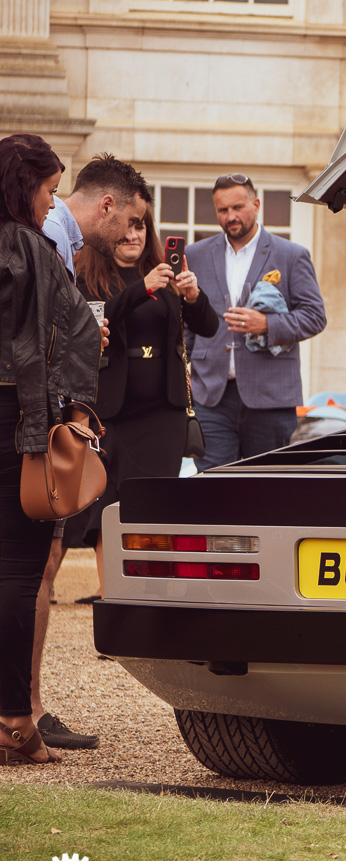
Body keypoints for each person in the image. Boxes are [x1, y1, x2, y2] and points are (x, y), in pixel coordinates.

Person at [35, 150, 149, 752]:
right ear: (105, 204)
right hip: (38, 421)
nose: (131, 235)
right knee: (36, 565)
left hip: (51, 415)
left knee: (42, 562)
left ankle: (26, 708)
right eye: (128, 222)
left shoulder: (58, 236)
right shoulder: (52, 233)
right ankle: (22, 711)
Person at [0, 134, 103, 766]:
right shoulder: (35, 252)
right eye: (48, 190)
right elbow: (78, 334)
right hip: (18, 424)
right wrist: (76, 409)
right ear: (23, 186)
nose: (53, 203)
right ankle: (14, 721)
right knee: (15, 569)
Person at [64, 207, 218, 598]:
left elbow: (209, 327)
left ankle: (150, 598)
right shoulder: (90, 275)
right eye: (126, 227)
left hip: (162, 414)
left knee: (153, 507)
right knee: (108, 507)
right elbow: (93, 320)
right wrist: (143, 288)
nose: (134, 234)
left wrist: (193, 296)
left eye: (140, 226)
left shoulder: (167, 273)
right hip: (110, 413)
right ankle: (113, 597)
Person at [185, 172, 326, 469]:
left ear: (256, 204)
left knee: (267, 489)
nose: (230, 216)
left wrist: (268, 325)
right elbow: (186, 318)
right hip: (211, 396)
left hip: (271, 397)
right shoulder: (195, 254)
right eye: (222, 210)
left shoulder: (291, 255)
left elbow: (315, 316)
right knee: (211, 488)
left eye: (238, 207)